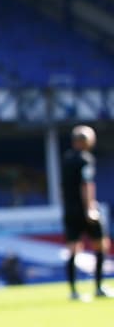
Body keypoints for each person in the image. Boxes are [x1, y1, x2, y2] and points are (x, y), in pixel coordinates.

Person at [61, 124, 109, 300]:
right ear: (84, 141)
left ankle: (73, 291)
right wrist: (90, 209)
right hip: (84, 209)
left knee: (73, 249)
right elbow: (86, 184)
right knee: (100, 245)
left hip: (69, 209)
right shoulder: (85, 159)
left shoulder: (66, 159)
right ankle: (98, 287)